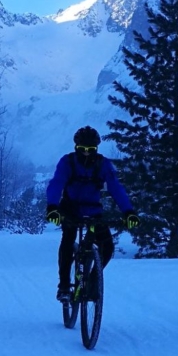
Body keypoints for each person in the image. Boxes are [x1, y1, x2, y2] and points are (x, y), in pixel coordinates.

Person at [46, 126, 138, 302]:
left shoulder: (103, 164)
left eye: (91, 150)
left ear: (96, 148)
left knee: (107, 247)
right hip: (69, 209)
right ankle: (64, 286)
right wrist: (52, 207)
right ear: (76, 147)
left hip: (93, 211)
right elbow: (57, 183)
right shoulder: (68, 162)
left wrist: (129, 211)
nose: (87, 153)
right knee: (67, 241)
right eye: (82, 149)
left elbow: (116, 188)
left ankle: (94, 280)